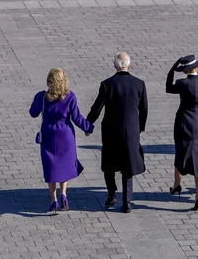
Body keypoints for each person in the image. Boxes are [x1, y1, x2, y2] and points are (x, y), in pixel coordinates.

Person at [86, 52, 148, 213]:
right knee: (128, 164)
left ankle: (112, 193)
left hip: (111, 130)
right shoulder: (139, 84)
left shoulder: (108, 84)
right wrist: (139, 127)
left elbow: (97, 107)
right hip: (131, 130)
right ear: (130, 64)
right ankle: (127, 201)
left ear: (114, 65)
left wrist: (88, 124)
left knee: (109, 162)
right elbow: (144, 109)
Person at [29, 68, 94, 213]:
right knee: (63, 166)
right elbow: (77, 118)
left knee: (51, 167)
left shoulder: (42, 97)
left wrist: (36, 101)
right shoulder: (70, 97)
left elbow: (33, 113)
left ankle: (53, 200)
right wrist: (88, 127)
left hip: (48, 136)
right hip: (65, 136)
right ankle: (64, 194)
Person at [166, 55, 198, 212]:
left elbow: (168, 87)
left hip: (183, 122)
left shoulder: (182, 83)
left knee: (181, 152)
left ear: (185, 70)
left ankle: (176, 185)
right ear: (196, 67)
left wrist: (173, 68)